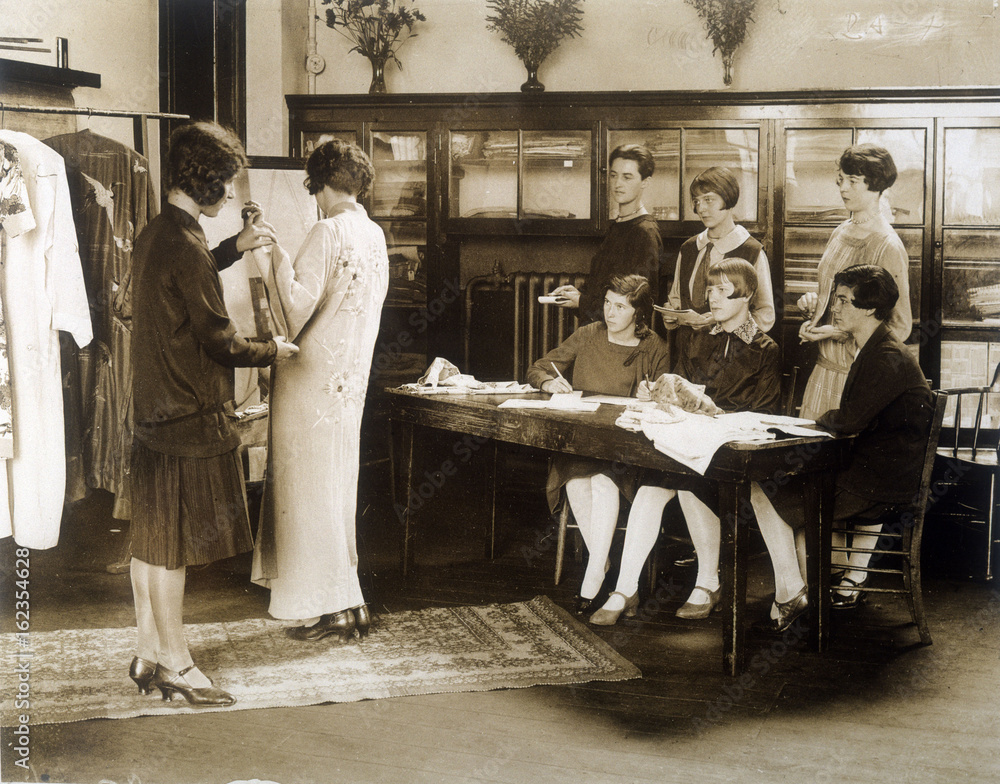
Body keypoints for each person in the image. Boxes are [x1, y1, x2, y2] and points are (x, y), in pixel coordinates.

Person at [129, 122, 299, 706]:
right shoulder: (186, 244)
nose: (230, 196)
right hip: (187, 415)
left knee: (150, 539)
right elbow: (219, 340)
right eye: (224, 184)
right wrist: (275, 351)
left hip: (153, 410)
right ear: (203, 181)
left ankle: (148, 651)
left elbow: (185, 285)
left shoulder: (160, 233)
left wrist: (235, 247)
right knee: (171, 546)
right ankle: (176, 664)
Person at [251, 140, 389, 643]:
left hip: (309, 381)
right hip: (347, 385)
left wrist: (271, 255)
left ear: (319, 184)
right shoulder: (374, 235)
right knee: (334, 490)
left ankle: (331, 606)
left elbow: (295, 307)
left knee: (306, 494)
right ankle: (346, 603)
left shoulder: (327, 230)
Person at [590, 259, 780, 625]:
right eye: (710, 289)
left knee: (689, 486)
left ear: (748, 297)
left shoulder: (764, 348)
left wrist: (714, 412)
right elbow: (679, 387)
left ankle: (707, 582)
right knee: (648, 491)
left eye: (724, 291)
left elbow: (764, 414)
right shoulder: (698, 339)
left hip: (729, 456)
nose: (714, 297)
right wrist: (657, 390)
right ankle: (624, 589)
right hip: (687, 445)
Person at [751, 264, 932, 632]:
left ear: (868, 308)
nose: (834, 306)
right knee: (787, 486)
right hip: (873, 471)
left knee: (760, 488)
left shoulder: (885, 356)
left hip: (879, 484)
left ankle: (791, 593)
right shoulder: (874, 347)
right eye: (837, 298)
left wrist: (812, 421)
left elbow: (849, 420)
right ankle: (804, 591)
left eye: (844, 300)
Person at [525, 274, 670, 614]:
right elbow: (538, 367)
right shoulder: (588, 334)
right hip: (581, 442)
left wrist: (651, 397)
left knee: (604, 483)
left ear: (639, 313)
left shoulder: (654, 347)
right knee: (576, 481)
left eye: (620, 306)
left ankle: (592, 575)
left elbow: (669, 402)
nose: (609, 312)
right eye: (607, 303)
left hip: (625, 449)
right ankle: (601, 564)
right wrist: (548, 382)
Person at [797, 143, 911, 420]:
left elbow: (900, 326)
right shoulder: (840, 231)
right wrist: (815, 305)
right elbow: (840, 297)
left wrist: (837, 333)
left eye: (853, 181)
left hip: (856, 378)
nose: (843, 188)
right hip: (823, 369)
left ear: (876, 186)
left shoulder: (887, 245)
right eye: (841, 180)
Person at [662, 166, 775, 351]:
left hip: (728, 358)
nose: (701, 208)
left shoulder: (752, 251)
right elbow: (676, 299)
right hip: (686, 354)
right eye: (697, 201)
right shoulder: (688, 249)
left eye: (708, 200)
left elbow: (765, 315)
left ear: (728, 199)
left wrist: (723, 322)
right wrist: (671, 315)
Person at [550, 145, 664, 325]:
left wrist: (581, 302)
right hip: (601, 331)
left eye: (627, 177)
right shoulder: (618, 225)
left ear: (645, 182)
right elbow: (603, 287)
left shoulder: (645, 232)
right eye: (613, 175)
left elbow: (635, 306)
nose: (618, 183)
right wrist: (578, 295)